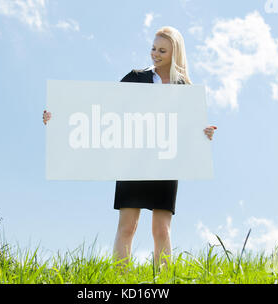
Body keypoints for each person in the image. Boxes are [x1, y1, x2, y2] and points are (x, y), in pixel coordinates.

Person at [43, 26, 217, 270]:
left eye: (162, 50)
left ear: (175, 53)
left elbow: (190, 128)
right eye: (153, 48)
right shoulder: (136, 77)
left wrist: (204, 132)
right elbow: (102, 105)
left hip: (167, 161)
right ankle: (120, 279)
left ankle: (164, 282)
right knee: (127, 226)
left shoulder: (184, 88)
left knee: (162, 229)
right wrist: (59, 116)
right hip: (133, 160)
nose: (155, 54)